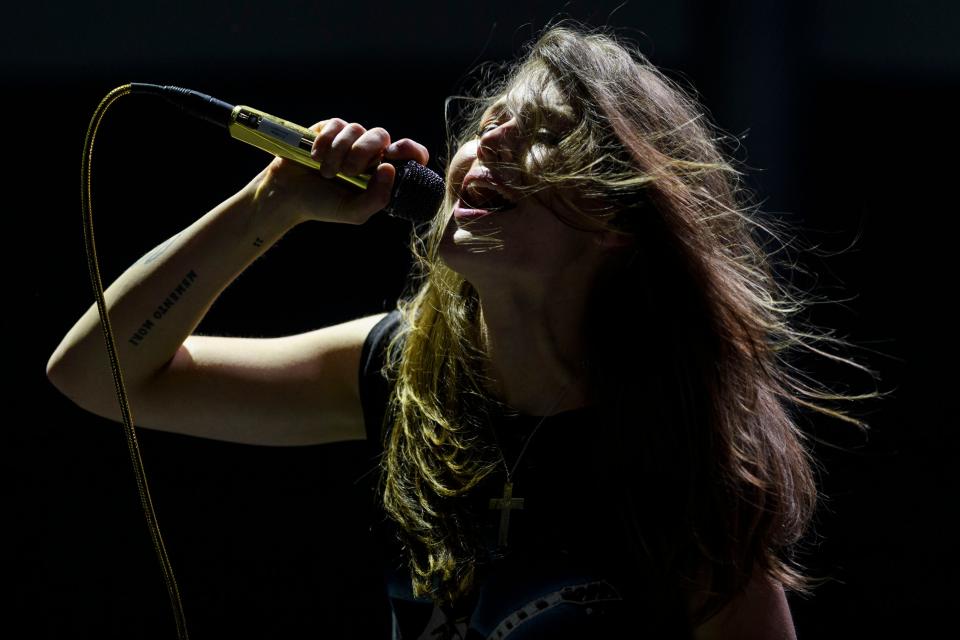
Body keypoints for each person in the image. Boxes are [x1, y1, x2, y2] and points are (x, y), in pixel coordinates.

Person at [47, 21, 876, 639]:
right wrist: (271, 206)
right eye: (490, 124)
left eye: (547, 134)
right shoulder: (400, 370)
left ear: (619, 216)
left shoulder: (687, 480)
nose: (491, 139)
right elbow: (96, 374)